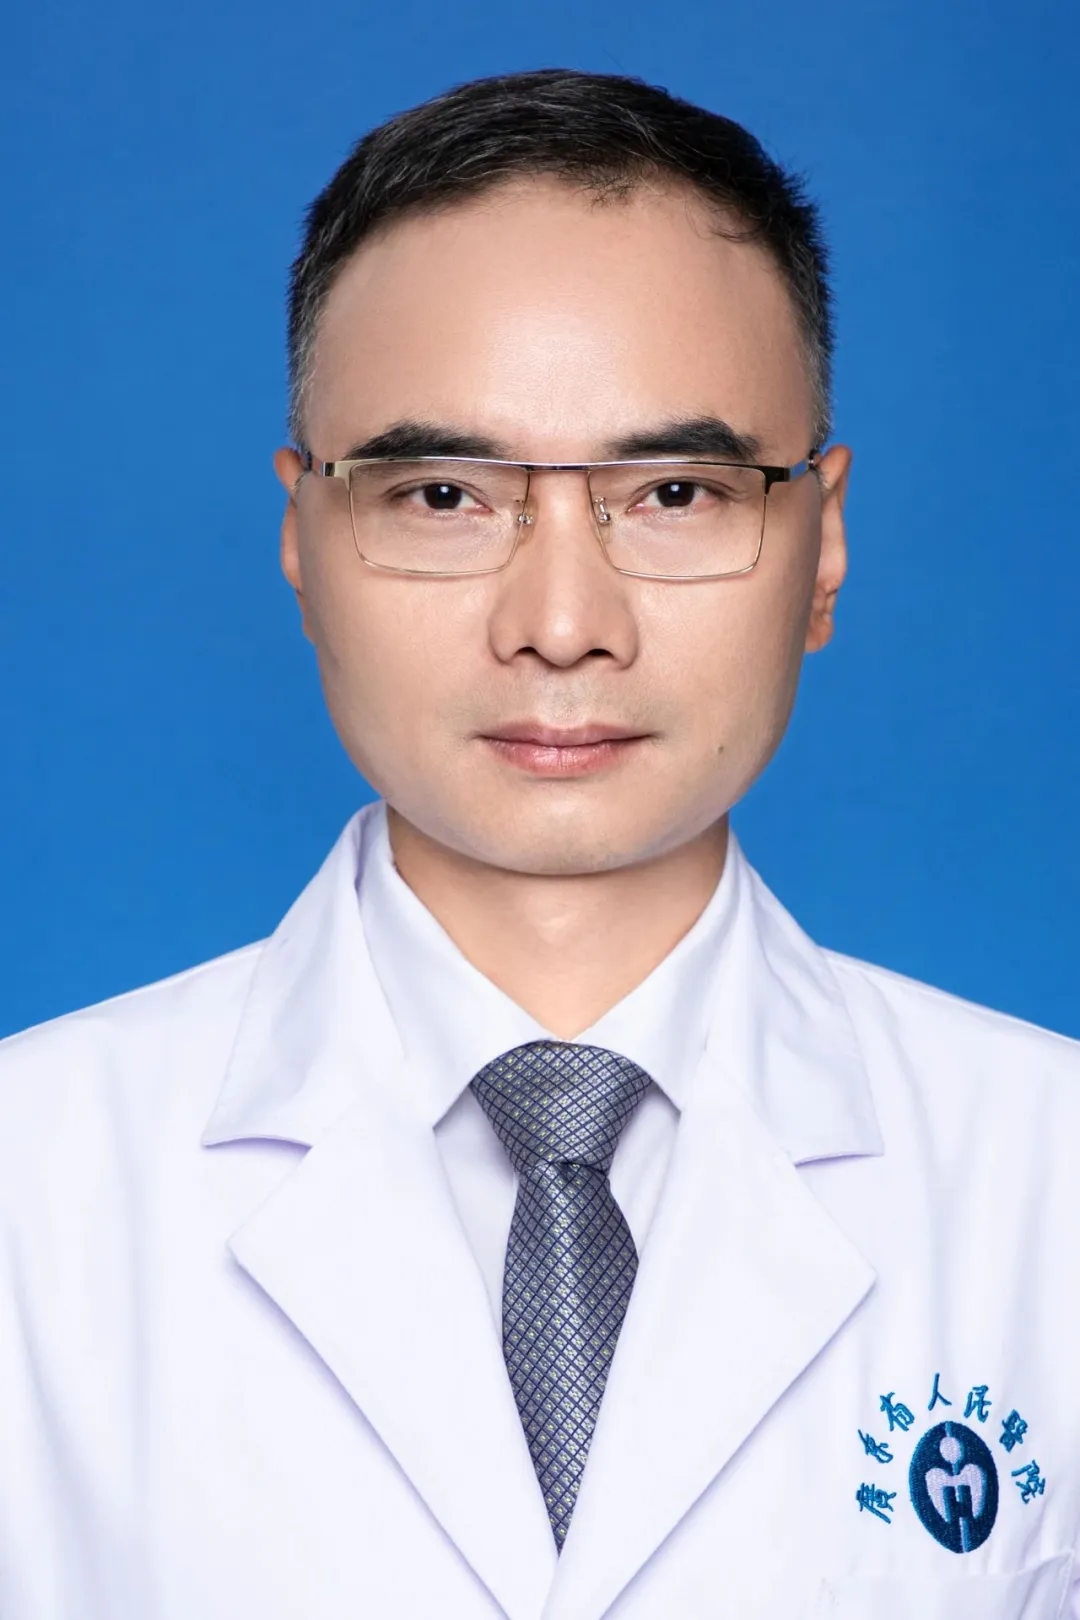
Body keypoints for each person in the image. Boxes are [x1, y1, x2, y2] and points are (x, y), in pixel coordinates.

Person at [0, 67, 1076, 1620]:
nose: (563, 624)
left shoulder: (1050, 1185)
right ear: (303, 537)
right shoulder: (31, 1192)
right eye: (444, 493)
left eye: (677, 491)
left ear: (824, 543)